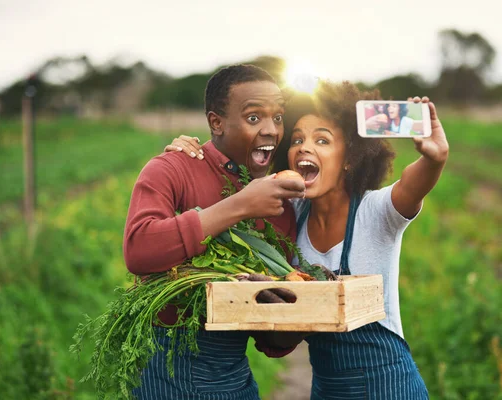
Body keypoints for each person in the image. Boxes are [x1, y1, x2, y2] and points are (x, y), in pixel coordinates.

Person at [169, 81, 449, 399]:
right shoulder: (291, 213)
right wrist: (195, 154)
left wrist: (434, 159)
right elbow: (233, 189)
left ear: (349, 158)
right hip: (326, 389)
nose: (304, 146)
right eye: (298, 139)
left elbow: (414, 185)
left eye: (322, 140)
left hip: (389, 386)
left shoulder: (377, 211)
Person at [124, 64, 306, 399]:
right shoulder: (172, 168)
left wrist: (296, 315)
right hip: (165, 373)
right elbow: (139, 250)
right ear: (216, 123)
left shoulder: (280, 204)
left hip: (233, 374)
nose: (270, 130)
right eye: (254, 118)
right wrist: (241, 204)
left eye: (277, 117)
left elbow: (271, 339)